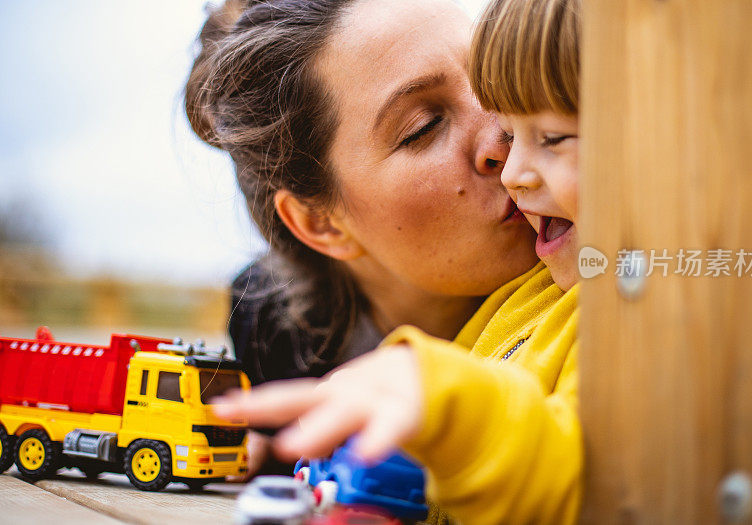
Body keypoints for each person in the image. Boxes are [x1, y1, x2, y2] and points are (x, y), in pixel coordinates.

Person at [214, 0, 585, 523]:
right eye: (424, 126)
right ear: (320, 223)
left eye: (491, 76)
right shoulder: (270, 325)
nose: (505, 133)